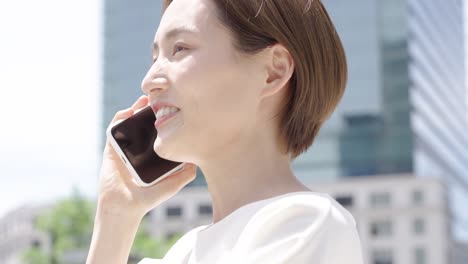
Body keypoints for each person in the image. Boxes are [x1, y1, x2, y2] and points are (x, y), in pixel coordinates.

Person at [86, 0, 364, 263]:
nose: (148, 81)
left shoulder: (306, 224)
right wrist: (116, 215)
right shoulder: (183, 252)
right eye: (155, 56)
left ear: (273, 71)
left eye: (179, 49)